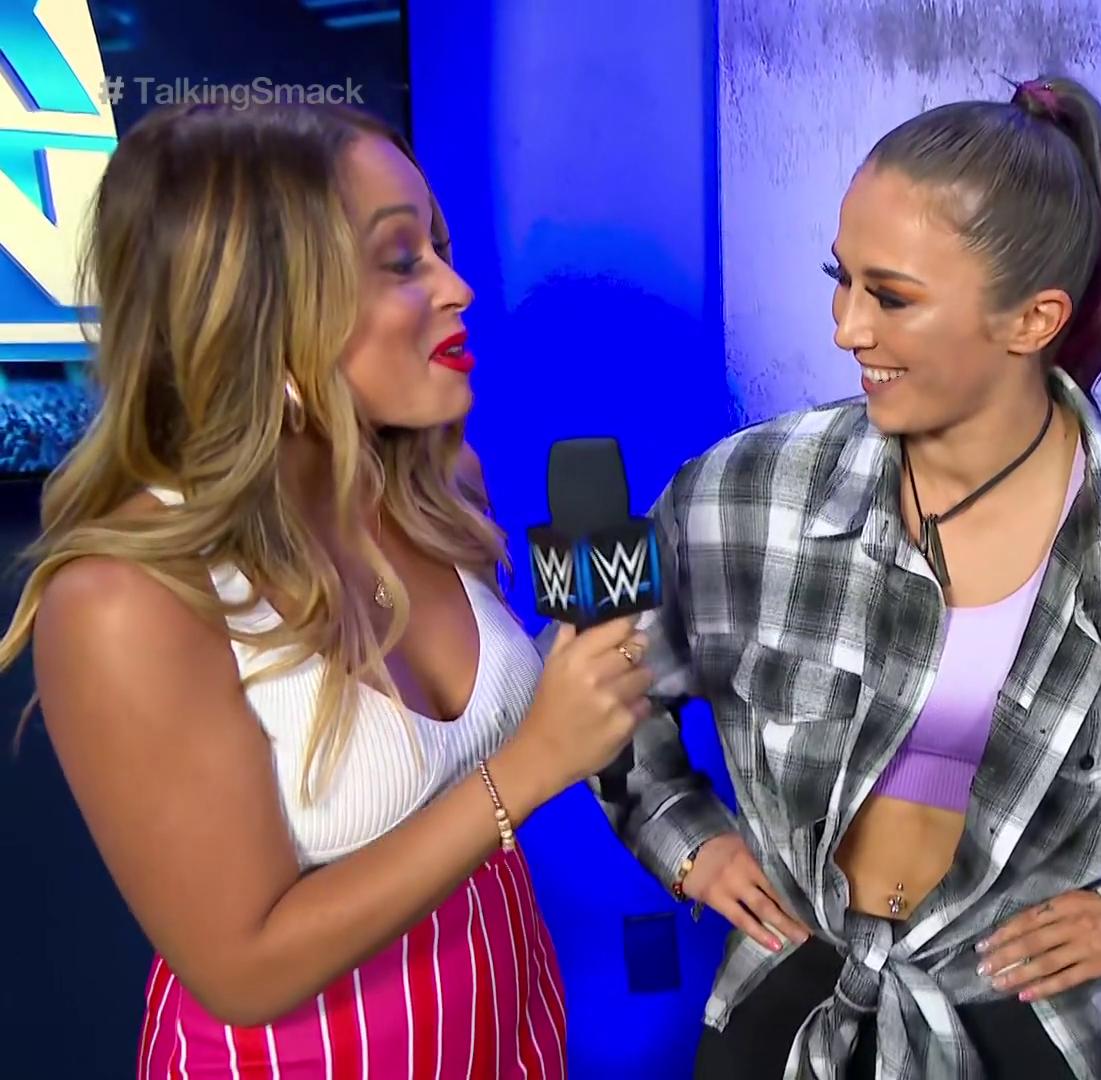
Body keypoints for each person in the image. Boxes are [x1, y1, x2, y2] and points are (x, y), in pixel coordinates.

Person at [584, 76, 1101, 1078]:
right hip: (782, 1018)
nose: (846, 328)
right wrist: (684, 838)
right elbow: (599, 679)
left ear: (1033, 319)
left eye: (890, 296)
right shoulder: (743, 493)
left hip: (1012, 1040)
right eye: (841, 279)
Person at [0, 102, 653, 1077]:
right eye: (401, 261)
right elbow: (244, 967)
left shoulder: (437, 489)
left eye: (438, 248)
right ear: (261, 307)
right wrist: (533, 765)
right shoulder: (126, 600)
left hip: (512, 1015)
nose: (459, 288)